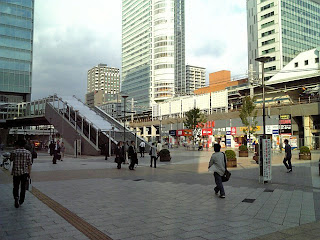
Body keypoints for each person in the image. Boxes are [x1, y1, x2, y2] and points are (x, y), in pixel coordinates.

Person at [10, 139, 32, 208]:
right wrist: (29, 173)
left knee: (15, 186)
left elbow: (11, 159)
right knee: (23, 187)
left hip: (16, 172)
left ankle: (16, 197)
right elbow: (29, 164)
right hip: (24, 172)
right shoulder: (28, 152)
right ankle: (21, 200)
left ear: (18, 145)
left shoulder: (14, 152)